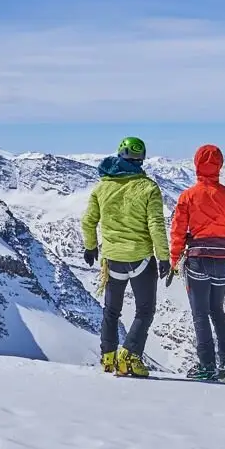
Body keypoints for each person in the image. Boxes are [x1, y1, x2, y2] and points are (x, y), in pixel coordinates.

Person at [80, 136, 171, 378]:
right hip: (141, 259)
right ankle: (130, 355)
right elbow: (155, 225)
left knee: (111, 310)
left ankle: (108, 356)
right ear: (141, 159)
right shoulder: (149, 188)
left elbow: (88, 221)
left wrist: (91, 247)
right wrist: (163, 257)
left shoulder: (101, 187)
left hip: (111, 260)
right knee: (145, 310)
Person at [169, 144, 225, 382]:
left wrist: (174, 259)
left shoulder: (188, 196)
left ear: (196, 164)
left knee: (200, 314)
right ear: (220, 165)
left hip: (197, 260)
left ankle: (206, 365)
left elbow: (178, 230)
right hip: (221, 261)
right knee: (217, 311)